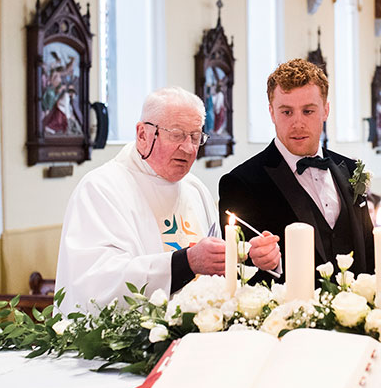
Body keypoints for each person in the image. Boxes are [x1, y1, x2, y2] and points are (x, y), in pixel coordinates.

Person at [56, 87, 280, 312]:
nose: (189, 148)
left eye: (195, 137)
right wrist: (186, 263)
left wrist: (246, 255)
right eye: (176, 134)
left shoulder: (195, 189)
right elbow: (98, 282)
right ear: (143, 134)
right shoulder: (101, 189)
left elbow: (214, 276)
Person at [219, 59, 375, 284]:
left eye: (308, 111)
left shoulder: (351, 170)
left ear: (325, 110)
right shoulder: (241, 183)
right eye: (287, 112)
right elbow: (238, 271)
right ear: (272, 113)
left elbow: (367, 253)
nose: (298, 123)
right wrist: (266, 262)